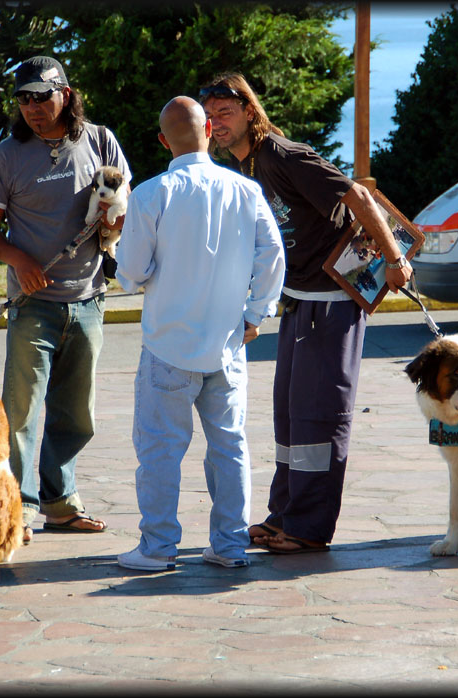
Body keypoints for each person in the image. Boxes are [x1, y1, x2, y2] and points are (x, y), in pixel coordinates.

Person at [199, 73, 413, 555]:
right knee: (291, 420)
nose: (216, 124)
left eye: (225, 113)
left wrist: (394, 259)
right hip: (298, 302)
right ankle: (285, 516)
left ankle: (310, 528)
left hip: (333, 303)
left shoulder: (282, 153)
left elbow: (358, 195)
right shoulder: (246, 165)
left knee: (319, 418)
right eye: (209, 117)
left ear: (250, 112)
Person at [114, 96, 285, 571]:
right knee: (230, 446)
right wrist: (256, 315)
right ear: (209, 129)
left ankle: (157, 548)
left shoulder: (150, 194)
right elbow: (273, 256)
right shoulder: (245, 190)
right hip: (228, 344)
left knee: (159, 453)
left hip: (168, 345)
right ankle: (230, 546)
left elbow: (130, 274)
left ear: (163, 141)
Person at [0, 56, 131, 540]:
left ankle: (61, 504)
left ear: (66, 93)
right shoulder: (7, 155)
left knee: (75, 412)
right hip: (32, 305)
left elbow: (125, 205)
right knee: (20, 412)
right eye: (23, 99)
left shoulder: (100, 140)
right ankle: (14, 508)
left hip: (89, 299)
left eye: (42, 96)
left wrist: (113, 224)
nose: (32, 108)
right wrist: (19, 261)